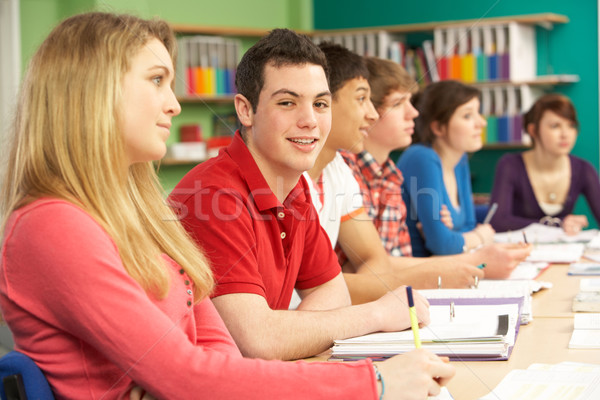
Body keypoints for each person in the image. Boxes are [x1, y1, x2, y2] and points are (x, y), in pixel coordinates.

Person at [0, 12, 454, 399]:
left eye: (319, 103)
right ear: (91, 91)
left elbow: (218, 353)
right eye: (157, 80)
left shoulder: (139, 217)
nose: (175, 104)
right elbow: (187, 374)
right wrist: (371, 381)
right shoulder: (53, 225)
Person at [169, 28, 437, 363]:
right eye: (287, 102)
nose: (310, 120)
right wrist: (378, 314)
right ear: (245, 110)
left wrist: (291, 336)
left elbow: (333, 293)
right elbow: (259, 341)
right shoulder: (213, 197)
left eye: (320, 104)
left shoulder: (294, 188)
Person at [328, 55, 529, 280]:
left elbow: (386, 261)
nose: (413, 113)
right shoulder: (347, 168)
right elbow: (361, 270)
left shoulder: (390, 173)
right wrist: (474, 256)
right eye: (397, 104)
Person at [306, 43, 484, 290]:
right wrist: (450, 268)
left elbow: (377, 262)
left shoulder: (383, 173)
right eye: (398, 104)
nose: (413, 113)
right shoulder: (341, 167)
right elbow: (336, 276)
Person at [397, 80, 495, 256]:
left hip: (446, 269)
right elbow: (441, 245)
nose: (481, 123)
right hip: (417, 274)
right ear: (438, 127)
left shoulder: (460, 159)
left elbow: (467, 226)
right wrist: (481, 236)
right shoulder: (421, 157)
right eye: (467, 116)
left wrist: (456, 238)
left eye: (478, 113)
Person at [489, 93, 600, 234]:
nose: (565, 134)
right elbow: (498, 221)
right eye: (555, 126)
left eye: (571, 125)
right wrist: (558, 224)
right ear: (533, 130)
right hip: (519, 250)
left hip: (565, 253)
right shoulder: (510, 165)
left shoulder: (584, 169)